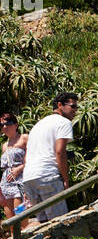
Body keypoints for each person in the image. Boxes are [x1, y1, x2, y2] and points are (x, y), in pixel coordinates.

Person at [18, 92, 77, 222]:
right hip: (47, 176)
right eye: (73, 106)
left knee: (44, 224)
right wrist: (66, 179)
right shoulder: (63, 123)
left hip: (29, 178)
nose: (75, 110)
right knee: (60, 222)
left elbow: (26, 157)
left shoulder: (38, 125)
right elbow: (60, 152)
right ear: (60, 105)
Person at [0, 115, 28, 218]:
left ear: (16, 124)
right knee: (10, 221)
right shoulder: (4, 145)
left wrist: (20, 169)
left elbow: (33, 157)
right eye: (2, 125)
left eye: (7, 123)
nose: (4, 127)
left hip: (20, 181)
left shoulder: (24, 138)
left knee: (21, 218)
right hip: (6, 184)